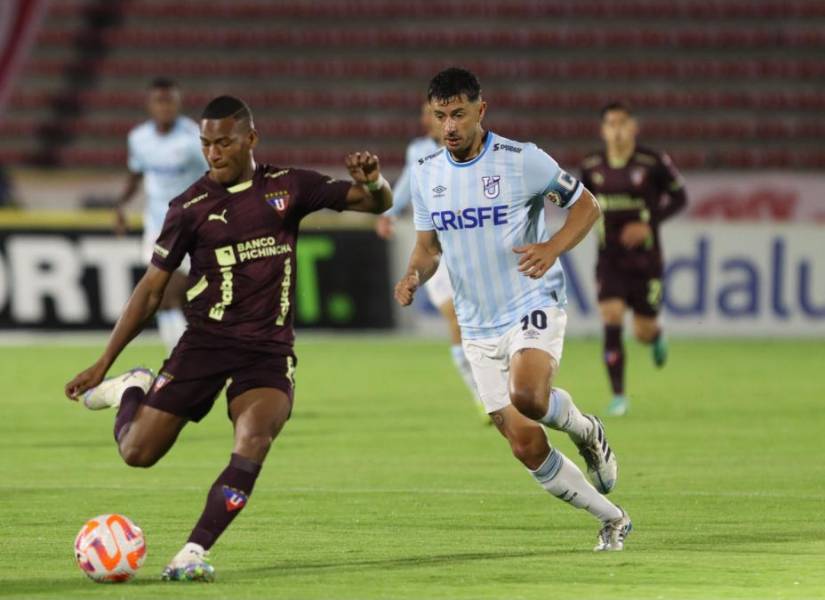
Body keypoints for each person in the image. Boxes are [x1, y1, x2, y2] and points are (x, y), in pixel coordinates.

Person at [64, 95, 392, 581]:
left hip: (267, 350)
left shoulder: (288, 187)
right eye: (206, 144)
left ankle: (192, 552)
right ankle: (133, 386)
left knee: (254, 437)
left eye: (223, 142)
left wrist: (374, 181)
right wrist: (102, 363)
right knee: (137, 453)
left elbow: (374, 203)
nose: (213, 153)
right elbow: (150, 291)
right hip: (205, 343)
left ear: (250, 139)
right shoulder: (189, 208)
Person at [395, 68, 631, 551]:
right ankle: (612, 518)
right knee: (525, 445)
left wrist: (552, 247)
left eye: (459, 114)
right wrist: (413, 274)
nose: (450, 126)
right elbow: (428, 247)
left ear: (481, 111)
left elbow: (586, 206)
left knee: (528, 395)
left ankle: (588, 430)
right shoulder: (426, 175)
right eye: (441, 116)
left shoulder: (522, 159)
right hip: (477, 325)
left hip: (530, 302)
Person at [376, 102, 485, 421]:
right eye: (433, 114)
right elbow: (410, 184)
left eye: (443, 114)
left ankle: (496, 387)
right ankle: (480, 394)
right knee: (456, 318)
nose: (434, 120)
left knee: (477, 322)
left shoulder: (476, 149)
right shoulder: (420, 152)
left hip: (472, 245)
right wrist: (390, 213)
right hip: (437, 247)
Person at [579, 102, 687, 417]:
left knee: (641, 331)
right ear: (603, 130)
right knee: (611, 317)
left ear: (633, 128)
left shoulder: (652, 162)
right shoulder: (592, 165)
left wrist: (648, 224)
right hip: (609, 258)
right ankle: (618, 396)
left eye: (622, 123)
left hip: (645, 261)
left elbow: (680, 197)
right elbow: (582, 203)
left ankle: (656, 335)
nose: (617, 130)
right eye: (610, 124)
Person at [115, 77, 209, 354]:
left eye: (170, 100)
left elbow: (217, 175)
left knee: (183, 298)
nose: (165, 107)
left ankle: (190, 357)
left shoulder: (194, 139)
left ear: (179, 103)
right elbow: (136, 174)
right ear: (149, 104)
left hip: (194, 228)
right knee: (163, 296)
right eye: (160, 101)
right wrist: (121, 206)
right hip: (157, 227)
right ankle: (180, 360)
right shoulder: (138, 138)